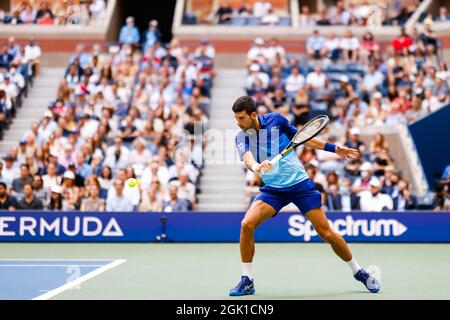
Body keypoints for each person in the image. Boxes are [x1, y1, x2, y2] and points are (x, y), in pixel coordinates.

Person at [230, 96, 380, 296]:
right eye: (236, 118)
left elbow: (304, 137)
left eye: (241, 118)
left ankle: (358, 271)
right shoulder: (241, 137)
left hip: (300, 185)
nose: (238, 123)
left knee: (327, 233)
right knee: (246, 225)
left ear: (253, 115)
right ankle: (247, 280)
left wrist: (335, 149)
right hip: (274, 189)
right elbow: (247, 158)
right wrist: (257, 167)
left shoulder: (276, 120)